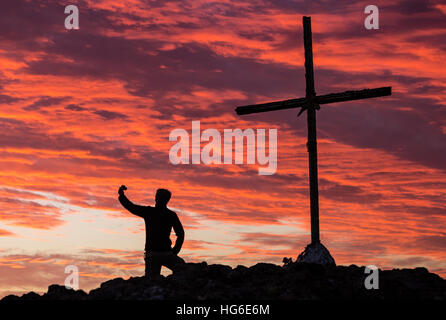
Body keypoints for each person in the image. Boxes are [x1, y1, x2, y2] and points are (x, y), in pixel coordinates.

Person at [118, 185, 185, 278]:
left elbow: (131, 207)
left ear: (156, 198)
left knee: (152, 280)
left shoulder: (150, 212)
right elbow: (181, 234)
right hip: (163, 253)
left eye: (158, 196)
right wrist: (175, 251)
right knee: (182, 268)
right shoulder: (170, 215)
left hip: (155, 254)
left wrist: (121, 196)